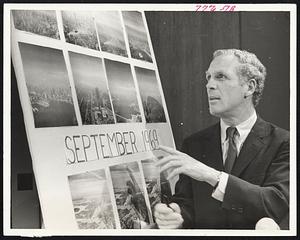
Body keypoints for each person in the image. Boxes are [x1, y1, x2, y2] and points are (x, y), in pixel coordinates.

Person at [154, 49, 289, 229]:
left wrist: (212, 176)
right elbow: (187, 204)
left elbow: (277, 203)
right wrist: (177, 216)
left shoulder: (284, 142)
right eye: (208, 77)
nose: (209, 85)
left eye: (220, 77)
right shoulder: (193, 144)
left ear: (249, 87)